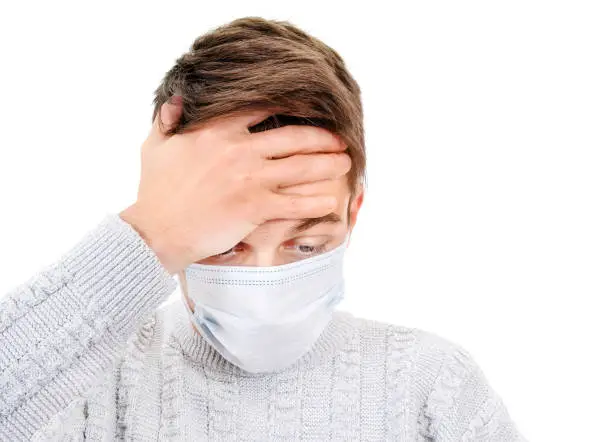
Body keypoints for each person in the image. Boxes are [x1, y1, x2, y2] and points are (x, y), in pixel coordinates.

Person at [0, 17, 526, 441]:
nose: (266, 285)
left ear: (353, 211)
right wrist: (149, 233)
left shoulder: (430, 387)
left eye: (307, 245)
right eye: (226, 246)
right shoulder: (84, 383)